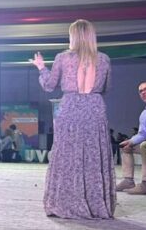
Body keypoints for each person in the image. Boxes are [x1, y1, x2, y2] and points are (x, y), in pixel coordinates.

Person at [33, 19, 116, 219]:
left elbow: (49, 85)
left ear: (73, 36)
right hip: (95, 107)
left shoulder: (63, 58)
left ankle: (66, 202)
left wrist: (41, 68)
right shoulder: (104, 59)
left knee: (67, 156)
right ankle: (96, 204)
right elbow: (106, 87)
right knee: (94, 156)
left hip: (70, 108)